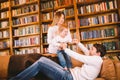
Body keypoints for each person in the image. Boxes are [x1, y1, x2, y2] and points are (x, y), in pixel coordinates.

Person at [9, 39, 106, 80]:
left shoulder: (96, 60)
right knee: (42, 59)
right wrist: (78, 43)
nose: (89, 50)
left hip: (69, 78)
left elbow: (80, 57)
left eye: (92, 49)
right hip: (68, 72)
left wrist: (65, 48)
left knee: (41, 63)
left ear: (98, 53)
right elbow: (86, 52)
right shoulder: (95, 59)